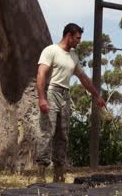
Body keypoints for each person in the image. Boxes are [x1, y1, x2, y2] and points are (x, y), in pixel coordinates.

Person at [36, 23, 106, 183]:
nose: (79, 41)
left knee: (63, 134)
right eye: (77, 38)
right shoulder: (51, 50)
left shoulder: (73, 56)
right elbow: (41, 74)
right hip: (52, 92)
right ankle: (41, 175)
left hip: (65, 95)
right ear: (68, 35)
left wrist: (97, 96)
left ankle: (58, 175)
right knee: (47, 132)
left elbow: (83, 78)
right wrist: (41, 98)